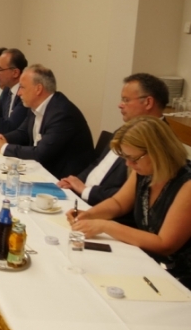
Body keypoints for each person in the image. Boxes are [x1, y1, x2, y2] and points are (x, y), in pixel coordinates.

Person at [69, 117, 191, 290]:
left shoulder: (187, 185)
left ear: (157, 152)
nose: (129, 164)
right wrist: (89, 214)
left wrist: (106, 226)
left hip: (177, 277)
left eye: (133, 159)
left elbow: (165, 244)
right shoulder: (144, 171)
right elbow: (119, 203)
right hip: (145, 260)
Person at [58, 73, 169, 208]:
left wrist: (86, 191)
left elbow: (132, 195)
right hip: (84, 198)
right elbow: (98, 164)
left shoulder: (159, 142)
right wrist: (74, 182)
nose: (120, 105)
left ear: (148, 102)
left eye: (126, 100)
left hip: (107, 209)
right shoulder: (126, 129)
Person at [0, 64, 94, 179]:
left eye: (22, 87)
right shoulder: (35, 106)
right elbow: (22, 132)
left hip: (63, 178)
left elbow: (40, 153)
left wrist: (4, 147)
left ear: (38, 89)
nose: (19, 93)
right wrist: (1, 139)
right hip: (43, 169)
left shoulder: (62, 114)